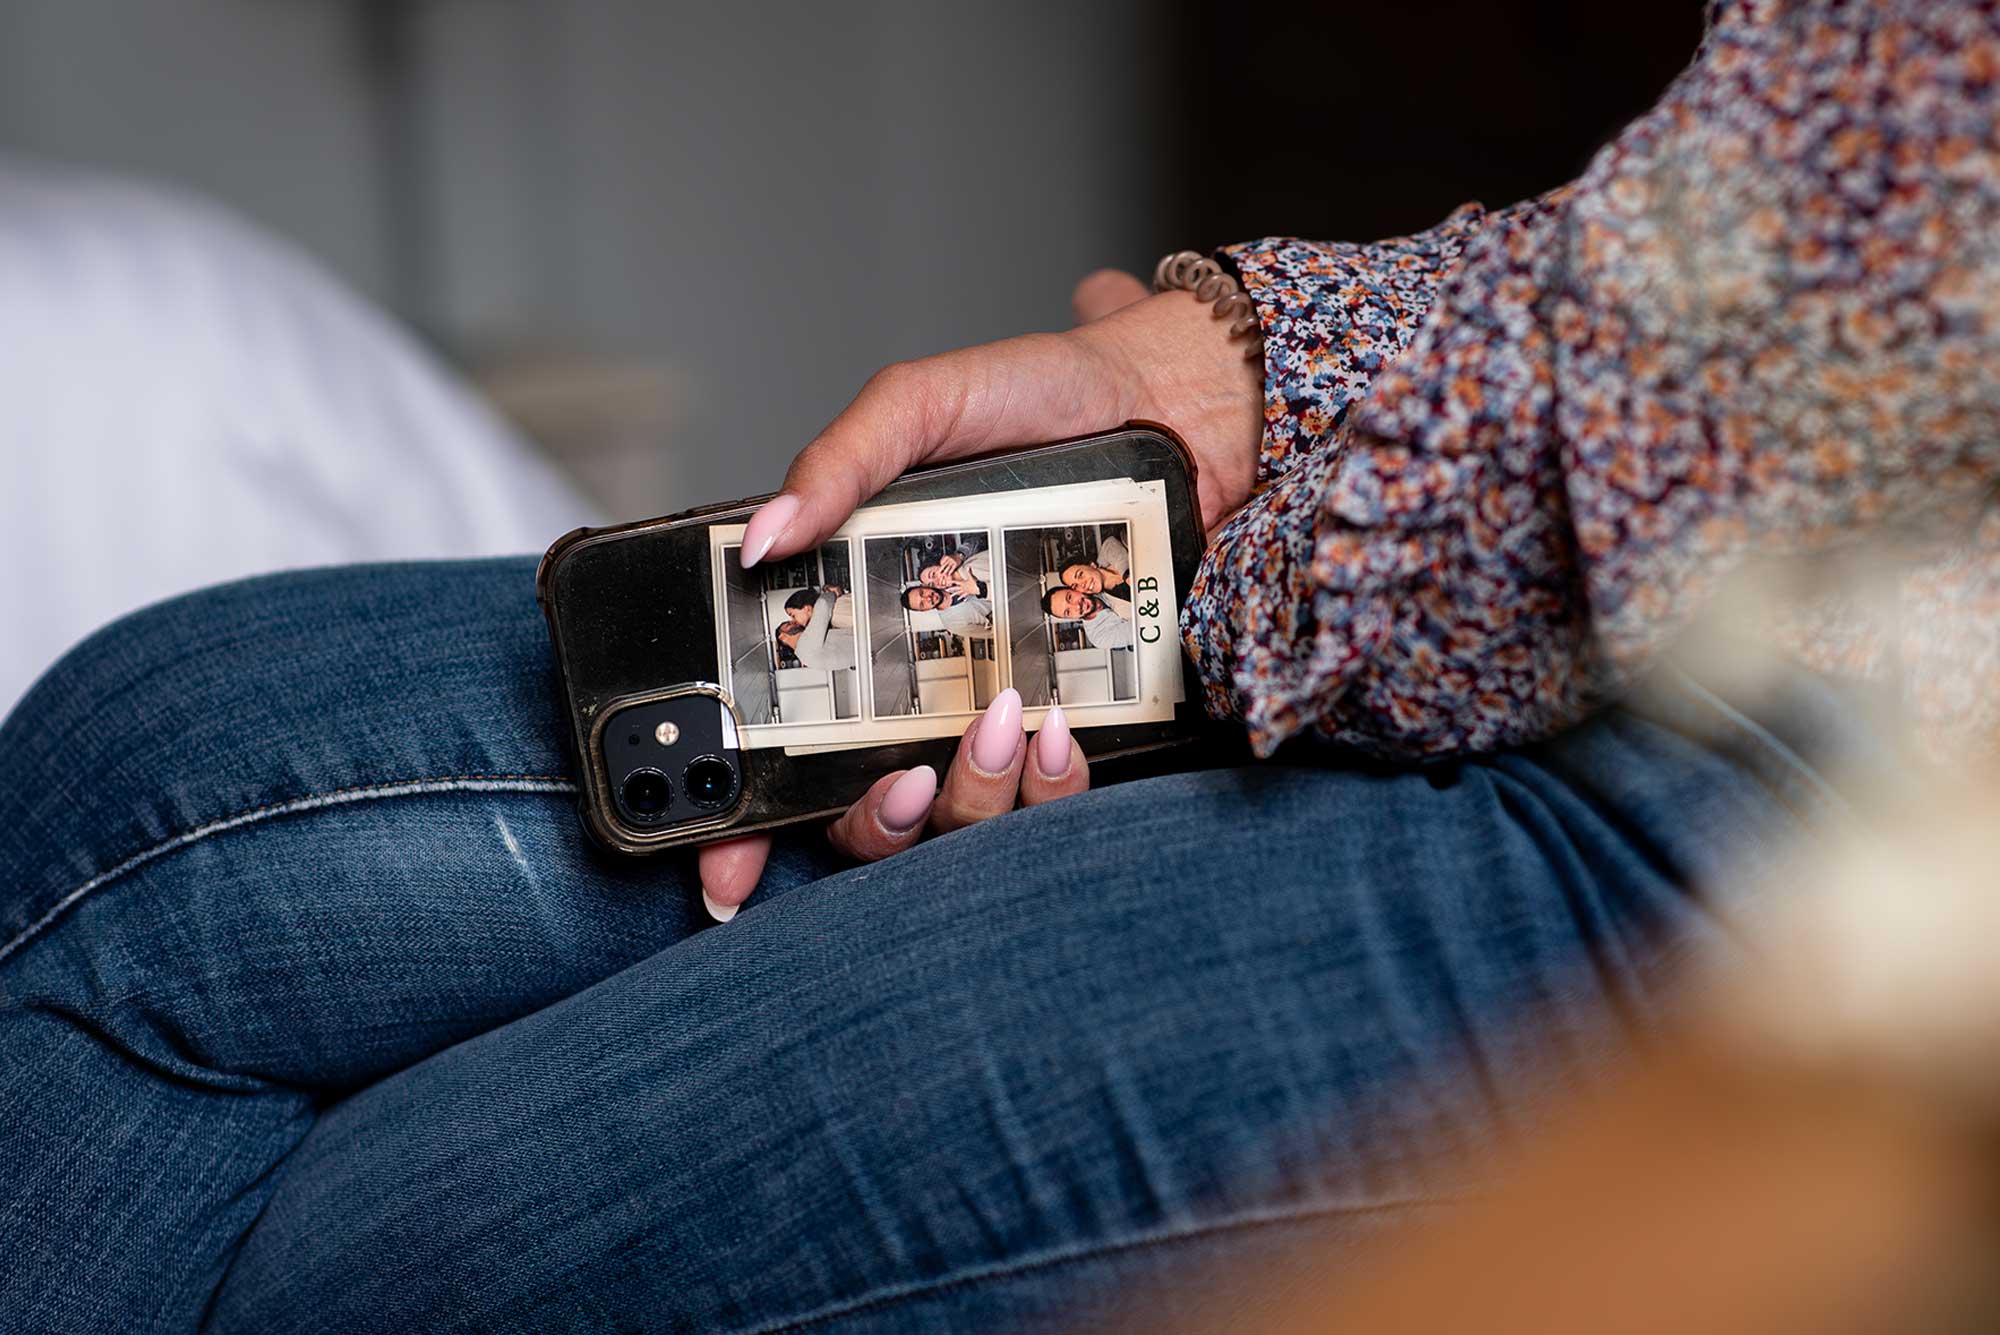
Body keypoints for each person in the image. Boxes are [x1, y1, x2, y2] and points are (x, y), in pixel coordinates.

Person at [5, 3, 1996, 1331]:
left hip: (1863, 816)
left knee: (321, 1251)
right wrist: (1270, 387)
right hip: (1652, 515)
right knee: (138, 764)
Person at [777, 585, 856, 671]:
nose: (793, 621)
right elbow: (823, 604)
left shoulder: (806, 649)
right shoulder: (804, 649)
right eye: (789, 623)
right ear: (782, 637)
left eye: (793, 616)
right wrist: (832, 592)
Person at [1041, 583, 1132, 649]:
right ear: (1069, 618)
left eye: (1070, 597)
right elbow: (1139, 629)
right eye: (1068, 612)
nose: (1076, 606)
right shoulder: (1098, 637)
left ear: (1073, 588)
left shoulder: (1097, 583)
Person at [900, 579, 994, 638]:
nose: (927, 598)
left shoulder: (952, 579)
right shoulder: (952, 625)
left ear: (923, 586)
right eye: (922, 604)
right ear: (924, 610)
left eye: (922, 593)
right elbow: (992, 633)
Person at [1058, 531, 1129, 601]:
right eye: (1075, 586)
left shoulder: (1109, 552)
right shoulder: (1112, 600)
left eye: (1080, 574)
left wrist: (1127, 575)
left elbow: (1109, 546)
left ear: (1092, 565)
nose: (1082, 585)